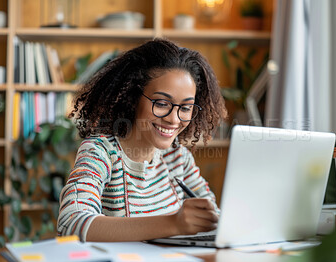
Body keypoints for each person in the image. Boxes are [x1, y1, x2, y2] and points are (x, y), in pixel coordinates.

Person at [57, 39, 228, 242]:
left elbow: (214, 218)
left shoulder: (177, 157)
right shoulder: (101, 152)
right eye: (162, 103)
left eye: (185, 108)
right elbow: (71, 223)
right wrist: (173, 223)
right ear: (132, 97)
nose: (174, 119)